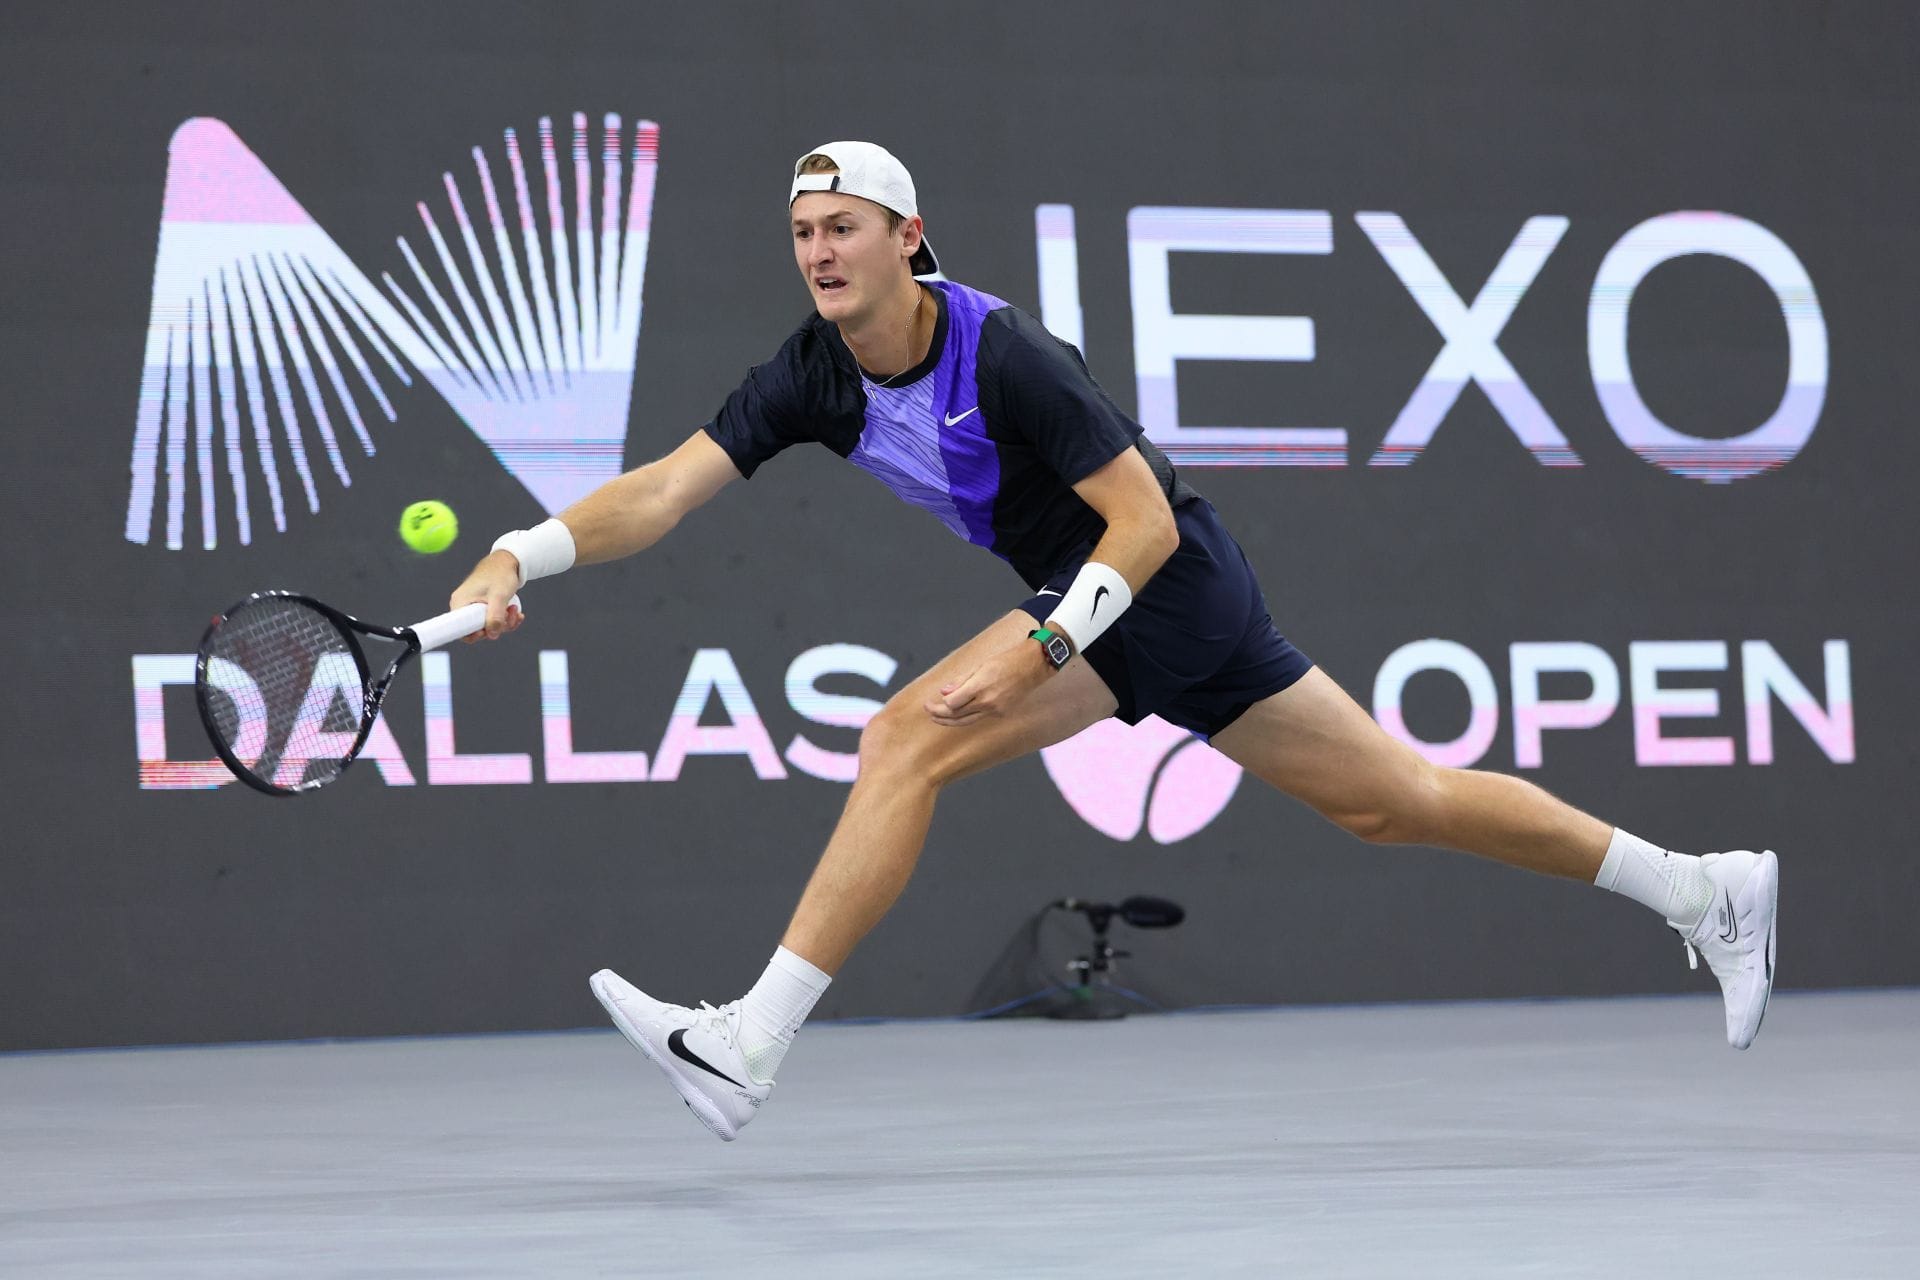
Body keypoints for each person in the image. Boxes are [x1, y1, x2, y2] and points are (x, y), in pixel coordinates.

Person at [451, 141, 1779, 1142]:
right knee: (1399, 803)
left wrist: (1037, 643)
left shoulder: (1006, 351)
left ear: (909, 236)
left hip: (1157, 583)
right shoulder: (809, 374)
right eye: (802, 231)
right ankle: (1702, 888)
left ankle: (750, 1044)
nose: (819, 250)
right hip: (1136, 603)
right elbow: (663, 490)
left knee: (904, 739)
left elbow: (1138, 521)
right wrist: (526, 552)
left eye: (843, 226)